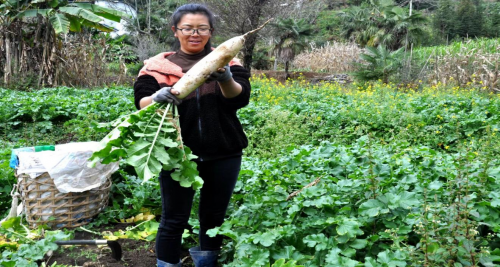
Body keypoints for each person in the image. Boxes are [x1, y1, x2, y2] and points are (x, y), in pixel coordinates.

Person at [133, 3, 251, 267]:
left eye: (202, 28)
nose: (194, 33)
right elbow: (140, 101)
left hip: (224, 150)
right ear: (176, 31)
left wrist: (225, 79)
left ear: (211, 32)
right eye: (188, 28)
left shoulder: (228, 62)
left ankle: (206, 263)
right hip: (176, 151)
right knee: (174, 217)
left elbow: (239, 98)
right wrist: (156, 97)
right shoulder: (156, 67)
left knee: (214, 216)